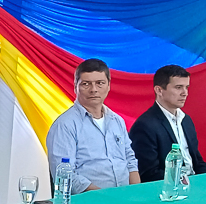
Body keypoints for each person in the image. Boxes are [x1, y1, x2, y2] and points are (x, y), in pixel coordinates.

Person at [45, 58, 140, 192]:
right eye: (86, 84)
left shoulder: (116, 120)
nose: (93, 89)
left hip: (124, 199)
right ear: (75, 86)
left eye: (100, 83)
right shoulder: (65, 125)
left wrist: (135, 194)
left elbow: (130, 161)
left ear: (108, 86)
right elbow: (65, 175)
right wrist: (104, 197)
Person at [129, 64, 206, 183]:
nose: (185, 93)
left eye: (186, 87)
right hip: (169, 190)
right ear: (159, 90)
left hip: (193, 184)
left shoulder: (186, 120)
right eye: (178, 87)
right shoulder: (144, 125)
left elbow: (197, 161)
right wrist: (186, 181)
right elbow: (149, 173)